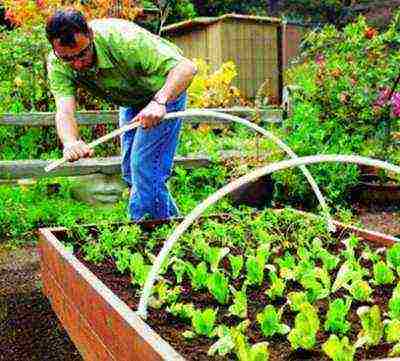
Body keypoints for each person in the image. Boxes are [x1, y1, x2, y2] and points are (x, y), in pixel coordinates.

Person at [45, 9, 197, 221]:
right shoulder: (57, 63)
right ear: (55, 48)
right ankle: (174, 226)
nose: (77, 64)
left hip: (165, 92)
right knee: (130, 170)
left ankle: (144, 233)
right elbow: (64, 109)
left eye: (82, 53)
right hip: (132, 100)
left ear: (90, 35)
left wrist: (159, 102)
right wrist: (70, 142)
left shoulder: (124, 40)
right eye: (68, 58)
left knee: (145, 167)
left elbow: (186, 67)